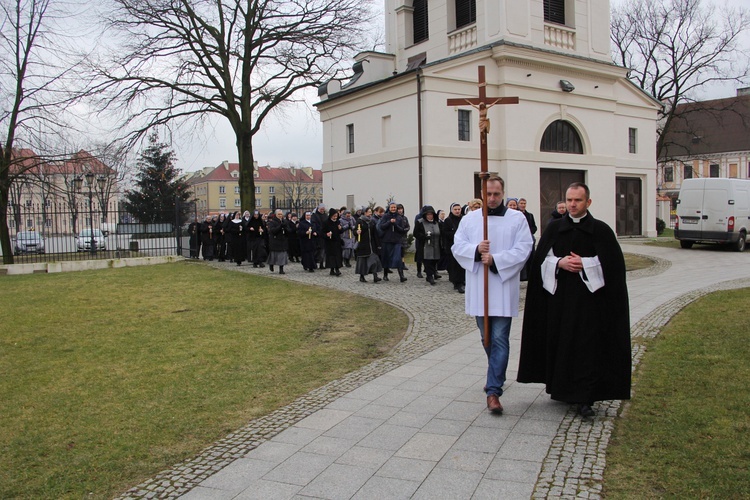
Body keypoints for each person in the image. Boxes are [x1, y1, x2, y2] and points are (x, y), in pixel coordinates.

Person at [518, 182, 631, 418]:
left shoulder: (601, 230)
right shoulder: (554, 228)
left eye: (577, 200)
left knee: (586, 347)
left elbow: (614, 267)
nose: (572, 204)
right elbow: (540, 260)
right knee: (562, 343)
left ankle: (585, 397)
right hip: (559, 303)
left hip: (591, 305)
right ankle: (563, 389)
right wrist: (559, 263)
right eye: (569, 199)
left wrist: (586, 263)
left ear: (588, 202)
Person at [452, 176, 533, 415]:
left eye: (496, 194)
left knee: (499, 338)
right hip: (479, 287)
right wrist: (476, 251)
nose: (492, 198)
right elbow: (458, 246)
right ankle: (496, 372)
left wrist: (496, 259)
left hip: (502, 284)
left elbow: (524, 247)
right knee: (486, 337)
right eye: (488, 194)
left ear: (503, 193)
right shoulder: (470, 219)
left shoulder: (516, 218)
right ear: (482, 193)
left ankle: (494, 390)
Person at [378, 202, 409, 282]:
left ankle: (401, 276)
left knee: (398, 258)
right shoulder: (385, 216)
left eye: (395, 207)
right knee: (386, 258)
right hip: (387, 240)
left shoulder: (399, 218)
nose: (393, 209)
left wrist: (395, 224)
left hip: (396, 241)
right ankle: (385, 275)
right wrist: (389, 222)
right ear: (389, 208)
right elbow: (382, 226)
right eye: (392, 207)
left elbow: (402, 229)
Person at [413, 205, 441, 285]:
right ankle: (429, 276)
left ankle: (432, 273)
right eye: (428, 214)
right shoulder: (420, 222)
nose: (430, 216)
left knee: (434, 260)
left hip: (436, 245)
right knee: (427, 261)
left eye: (431, 214)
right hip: (425, 246)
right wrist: (424, 237)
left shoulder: (437, 223)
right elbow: (416, 233)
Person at [354, 207, 383, 283]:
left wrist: (378, 244)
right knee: (363, 262)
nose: (370, 213)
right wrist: (357, 232)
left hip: (371, 245)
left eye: (371, 211)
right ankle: (362, 276)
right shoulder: (360, 221)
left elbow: (375, 234)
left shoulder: (371, 222)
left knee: (374, 261)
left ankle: (375, 276)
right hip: (363, 245)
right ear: (365, 213)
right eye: (369, 212)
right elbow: (354, 231)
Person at [442, 202, 465, 294]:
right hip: (452, 246)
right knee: (454, 265)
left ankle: (462, 280)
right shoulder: (448, 220)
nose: (457, 211)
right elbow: (445, 233)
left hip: (462, 246)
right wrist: (456, 234)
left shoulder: (464, 219)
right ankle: (457, 283)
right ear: (452, 210)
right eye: (455, 209)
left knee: (462, 265)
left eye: (459, 209)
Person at [518, 198, 537, 281]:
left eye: (524, 203)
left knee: (530, 257)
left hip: (529, 237)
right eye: (521, 203)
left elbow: (534, 227)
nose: (523, 205)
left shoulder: (530, 215)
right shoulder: (517, 214)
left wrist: (529, 231)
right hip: (520, 238)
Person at [266, 209, 289, 274]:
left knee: (282, 255)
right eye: (279, 214)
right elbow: (272, 231)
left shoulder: (284, 221)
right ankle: (271, 264)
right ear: (276, 215)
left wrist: (286, 228)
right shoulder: (272, 222)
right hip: (275, 241)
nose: (280, 216)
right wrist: (280, 227)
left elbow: (288, 230)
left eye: (281, 214)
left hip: (283, 241)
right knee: (273, 255)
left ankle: (281, 269)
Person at [322, 208, 344, 276]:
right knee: (331, 256)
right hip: (329, 242)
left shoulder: (337, 222)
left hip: (337, 241)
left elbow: (340, 231)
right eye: (334, 216)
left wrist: (340, 229)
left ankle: (337, 269)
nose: (335, 217)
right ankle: (332, 269)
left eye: (336, 216)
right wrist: (326, 234)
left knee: (337, 256)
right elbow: (322, 232)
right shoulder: (326, 222)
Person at [311, 203, 328, 269]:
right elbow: (313, 224)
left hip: (323, 234)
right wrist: (315, 231)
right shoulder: (315, 215)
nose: (322, 210)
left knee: (322, 250)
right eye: (321, 209)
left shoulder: (325, 215)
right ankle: (315, 262)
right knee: (317, 250)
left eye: (323, 209)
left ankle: (321, 263)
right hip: (317, 235)